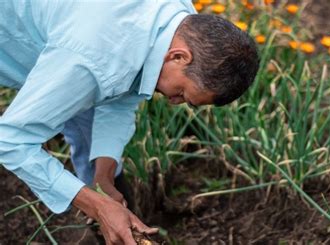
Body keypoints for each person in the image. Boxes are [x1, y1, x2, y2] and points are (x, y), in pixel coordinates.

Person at [0, 0, 259, 244]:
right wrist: (97, 206)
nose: (173, 101)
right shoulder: (91, 58)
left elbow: (123, 89)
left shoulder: (180, 22)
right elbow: (11, 141)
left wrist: (103, 178)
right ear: (179, 57)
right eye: (182, 94)